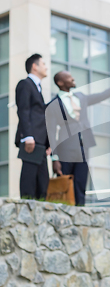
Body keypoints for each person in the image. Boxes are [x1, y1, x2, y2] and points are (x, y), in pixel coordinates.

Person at [46, 67, 110, 206]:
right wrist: (54, 158)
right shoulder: (53, 105)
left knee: (80, 185)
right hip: (65, 149)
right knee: (64, 187)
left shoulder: (81, 97)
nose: (73, 78)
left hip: (83, 148)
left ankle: (80, 216)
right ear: (60, 82)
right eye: (68, 77)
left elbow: (102, 95)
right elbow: (51, 132)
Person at [15, 53, 50, 200]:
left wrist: (48, 143)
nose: (46, 67)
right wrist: (28, 136)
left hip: (40, 142)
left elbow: (40, 116)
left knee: (43, 182)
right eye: (43, 64)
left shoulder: (38, 88)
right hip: (31, 140)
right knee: (29, 180)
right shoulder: (25, 84)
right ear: (35, 67)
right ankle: (25, 213)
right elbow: (23, 110)